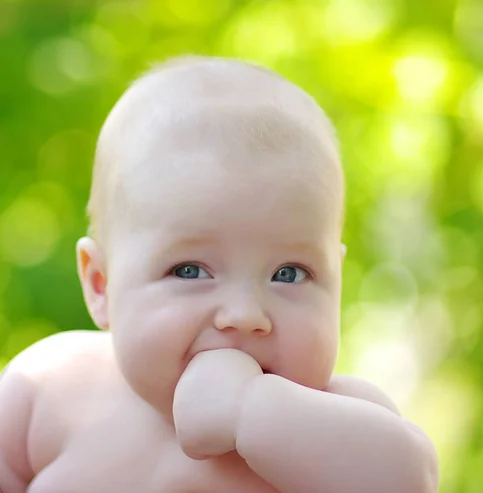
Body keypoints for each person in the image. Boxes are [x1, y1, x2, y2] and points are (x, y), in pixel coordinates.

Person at [0, 56, 438, 493]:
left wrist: (253, 411)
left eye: (289, 273)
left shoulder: (334, 418)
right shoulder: (50, 390)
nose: (244, 314)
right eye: (189, 270)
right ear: (101, 284)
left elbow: (410, 481)